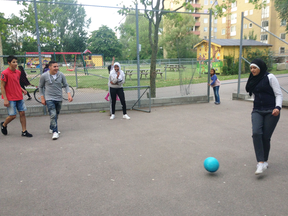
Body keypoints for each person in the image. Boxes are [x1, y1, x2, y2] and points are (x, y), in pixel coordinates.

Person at [245, 58, 283, 175]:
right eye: (251, 68)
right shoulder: (253, 79)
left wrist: (277, 107)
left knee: (266, 137)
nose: (252, 70)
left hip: (272, 111)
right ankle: (260, 163)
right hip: (257, 110)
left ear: (260, 68)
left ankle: (265, 160)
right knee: (256, 133)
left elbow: (278, 94)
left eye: (254, 68)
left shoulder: (270, 77)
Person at [39, 60, 73, 140]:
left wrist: (69, 94)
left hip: (58, 98)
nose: (56, 68)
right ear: (49, 67)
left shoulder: (61, 75)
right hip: (49, 98)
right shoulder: (44, 76)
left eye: (57, 66)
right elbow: (40, 87)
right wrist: (42, 98)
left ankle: (51, 127)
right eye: (54, 66)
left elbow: (66, 85)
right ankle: (55, 132)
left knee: (56, 114)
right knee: (53, 114)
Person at [1, 55, 33, 137]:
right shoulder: (5, 73)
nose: (16, 64)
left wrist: (22, 90)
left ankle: (24, 131)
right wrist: (5, 99)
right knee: (12, 115)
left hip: (19, 96)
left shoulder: (18, 72)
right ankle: (4, 124)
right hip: (10, 98)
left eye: (16, 62)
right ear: (9, 63)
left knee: (22, 113)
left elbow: (16, 83)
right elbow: (2, 86)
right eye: (13, 62)